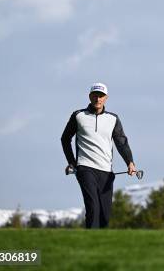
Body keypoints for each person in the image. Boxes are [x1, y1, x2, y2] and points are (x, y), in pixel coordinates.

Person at [61, 82, 137, 228]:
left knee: (105, 214)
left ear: (106, 98)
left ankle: (100, 246)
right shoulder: (78, 116)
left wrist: (130, 162)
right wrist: (72, 162)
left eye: (101, 96)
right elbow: (65, 139)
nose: (98, 99)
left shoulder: (113, 119)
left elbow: (121, 142)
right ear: (90, 96)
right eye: (95, 95)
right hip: (85, 168)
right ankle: (89, 243)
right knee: (93, 207)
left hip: (106, 171)